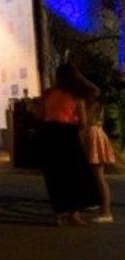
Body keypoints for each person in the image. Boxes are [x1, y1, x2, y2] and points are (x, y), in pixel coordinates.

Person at [40, 62, 98, 225]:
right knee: (74, 173)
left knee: (55, 174)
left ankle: (59, 213)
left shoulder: (49, 93)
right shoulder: (77, 95)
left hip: (50, 133)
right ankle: (74, 214)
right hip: (68, 134)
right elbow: (83, 122)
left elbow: (40, 114)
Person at [82, 95, 116, 223]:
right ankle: (97, 203)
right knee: (95, 176)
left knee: (99, 177)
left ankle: (106, 212)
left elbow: (85, 121)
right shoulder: (97, 105)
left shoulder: (92, 105)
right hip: (95, 134)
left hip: (93, 136)